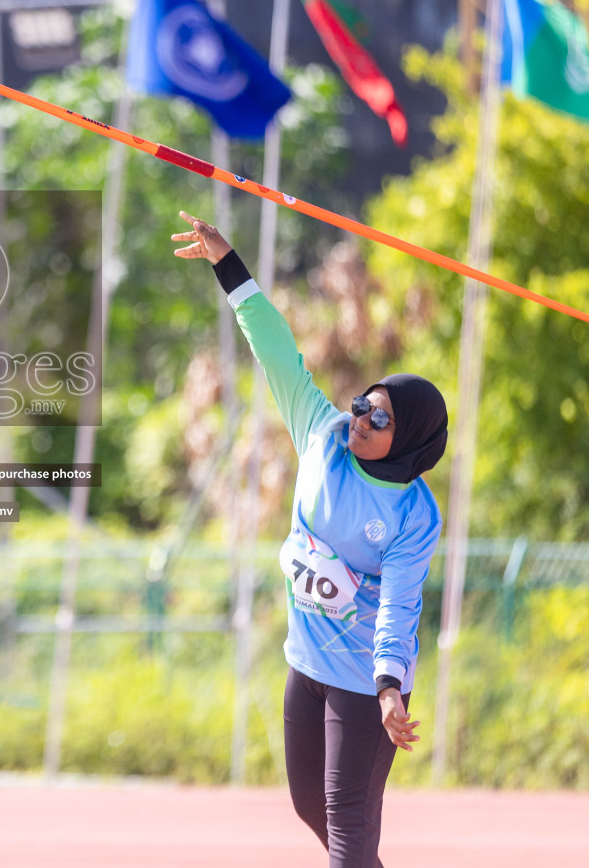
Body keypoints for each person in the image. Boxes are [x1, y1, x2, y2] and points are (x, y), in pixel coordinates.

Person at [173, 211, 447, 868]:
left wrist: (388, 686)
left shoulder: (414, 513)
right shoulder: (323, 437)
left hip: (363, 685)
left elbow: (399, 606)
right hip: (308, 665)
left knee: (348, 826)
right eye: (362, 403)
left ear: (407, 439)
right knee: (309, 809)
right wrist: (227, 263)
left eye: (378, 418)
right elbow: (275, 350)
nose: (359, 416)